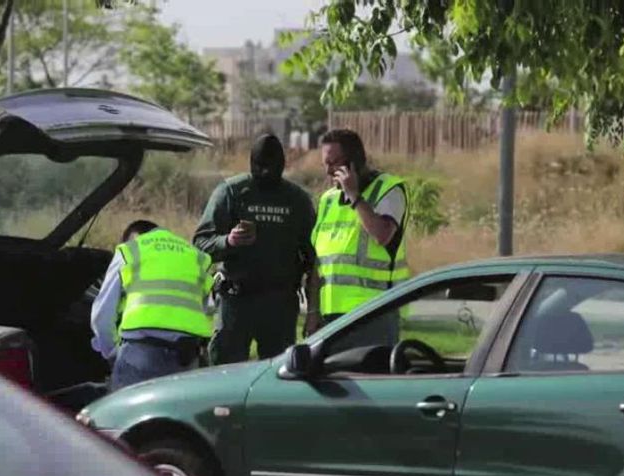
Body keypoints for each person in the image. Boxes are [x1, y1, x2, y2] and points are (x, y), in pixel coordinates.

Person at [194, 134, 316, 364]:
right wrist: (229, 241)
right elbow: (201, 244)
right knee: (226, 372)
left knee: (279, 374)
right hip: (237, 301)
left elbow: (314, 257)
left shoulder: (297, 200)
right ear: (252, 163)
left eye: (272, 168)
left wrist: (312, 310)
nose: (266, 173)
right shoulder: (231, 192)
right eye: (260, 167)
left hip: (280, 304)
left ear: (282, 165)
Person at [304, 129, 410, 343]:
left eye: (334, 163)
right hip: (331, 318)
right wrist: (313, 312)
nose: (328, 171)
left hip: (374, 315)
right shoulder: (328, 200)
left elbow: (382, 235)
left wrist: (354, 195)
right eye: (325, 163)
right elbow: (318, 263)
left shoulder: (389, 189)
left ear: (355, 162)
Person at [90, 220, 214, 391]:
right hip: (186, 356)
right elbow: (205, 310)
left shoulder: (130, 250)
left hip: (140, 352)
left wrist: (112, 353)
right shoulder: (197, 256)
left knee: (125, 414)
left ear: (135, 237)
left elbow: (101, 317)